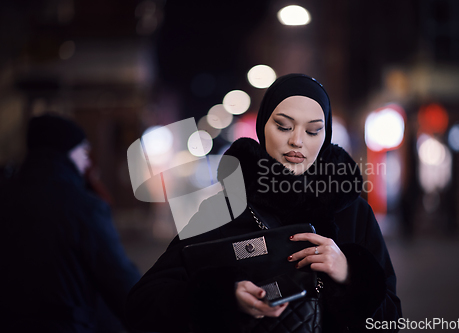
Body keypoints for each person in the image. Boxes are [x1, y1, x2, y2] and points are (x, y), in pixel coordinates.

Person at [125, 74, 402, 332]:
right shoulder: (226, 208)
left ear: (326, 137)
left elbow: (391, 320)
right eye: (283, 126)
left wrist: (349, 274)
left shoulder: (352, 212)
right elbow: (143, 304)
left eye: (313, 131)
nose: (297, 141)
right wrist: (224, 297)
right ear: (263, 127)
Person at [0, 114, 142, 333]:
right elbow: (120, 281)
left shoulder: (7, 194)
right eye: (84, 152)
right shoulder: (84, 207)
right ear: (67, 151)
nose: (87, 161)